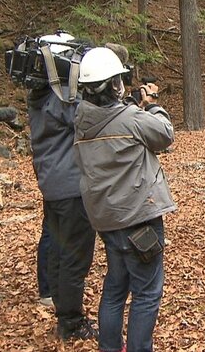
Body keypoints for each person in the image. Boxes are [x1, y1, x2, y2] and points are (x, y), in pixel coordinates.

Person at [73, 47, 175, 352]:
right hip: (139, 219)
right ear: (116, 84)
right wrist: (152, 105)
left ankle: (110, 347)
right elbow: (165, 134)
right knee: (146, 293)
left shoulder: (80, 120)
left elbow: (112, 118)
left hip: (107, 220)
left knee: (116, 288)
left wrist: (132, 104)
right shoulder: (131, 118)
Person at [27, 33, 96, 340]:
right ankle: (70, 321)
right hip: (70, 189)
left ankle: (61, 307)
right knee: (74, 256)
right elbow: (90, 120)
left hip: (53, 186)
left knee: (58, 249)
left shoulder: (39, 94)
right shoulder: (61, 98)